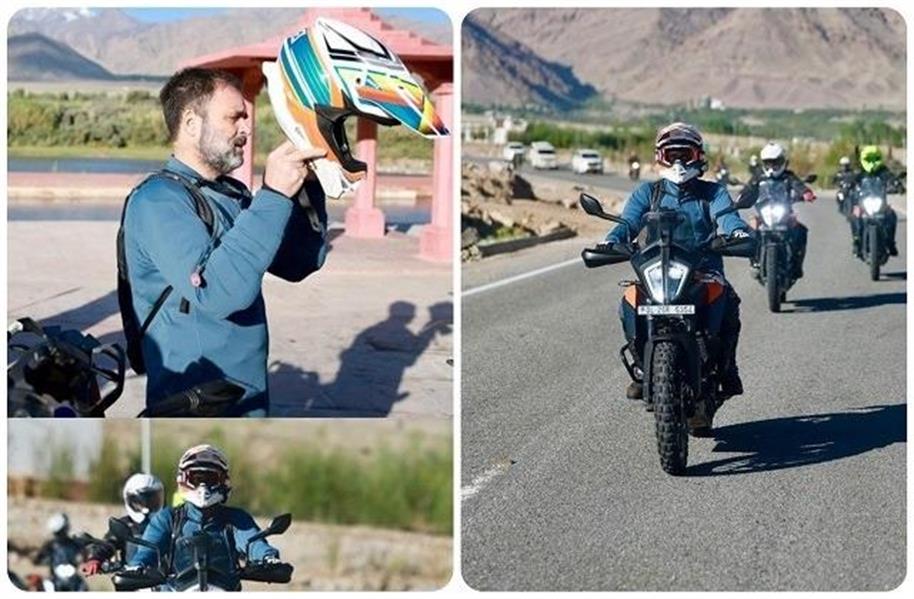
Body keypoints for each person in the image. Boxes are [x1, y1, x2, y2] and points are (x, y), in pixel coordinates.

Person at [119, 68, 328, 416]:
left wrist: (306, 185)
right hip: (194, 405)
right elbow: (217, 292)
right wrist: (273, 195)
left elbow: (299, 262)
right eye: (234, 117)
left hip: (248, 399)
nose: (247, 128)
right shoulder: (157, 201)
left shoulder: (231, 194)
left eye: (246, 117)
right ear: (191, 124)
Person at [603, 122, 751, 421]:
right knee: (629, 300)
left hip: (702, 270)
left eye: (686, 154)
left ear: (698, 156)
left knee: (729, 302)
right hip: (656, 269)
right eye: (673, 155)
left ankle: (726, 368)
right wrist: (611, 240)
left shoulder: (713, 193)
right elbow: (628, 223)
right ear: (661, 157)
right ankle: (643, 368)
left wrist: (737, 233)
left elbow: (728, 219)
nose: (680, 163)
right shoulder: (648, 192)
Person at [127, 445, 287, 590]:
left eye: (210, 479)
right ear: (183, 479)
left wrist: (268, 557)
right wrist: (136, 566)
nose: (202, 486)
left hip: (224, 589)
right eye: (196, 479)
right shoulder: (167, 518)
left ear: (223, 481)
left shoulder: (236, 519)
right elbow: (148, 549)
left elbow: (253, 543)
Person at [736, 142, 816, 278]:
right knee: (751, 226)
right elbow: (748, 189)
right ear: (763, 163)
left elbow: (798, 185)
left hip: (784, 213)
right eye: (768, 163)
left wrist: (806, 193)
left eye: (776, 162)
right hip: (764, 213)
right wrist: (739, 199)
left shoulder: (788, 176)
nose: (772, 166)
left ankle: (797, 264)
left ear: (783, 162)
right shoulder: (758, 176)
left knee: (801, 231)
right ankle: (754, 261)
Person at [82, 473, 165, 576]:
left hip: (165, 581)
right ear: (130, 500)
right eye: (141, 502)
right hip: (132, 580)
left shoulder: (167, 522)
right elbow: (108, 543)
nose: (146, 507)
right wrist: (96, 558)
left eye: (152, 500)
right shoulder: (123, 525)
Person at [851, 145, 901, 256]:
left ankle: (891, 242)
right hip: (863, 201)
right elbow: (853, 179)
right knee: (855, 214)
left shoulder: (883, 170)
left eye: (875, 159)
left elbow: (890, 177)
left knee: (892, 215)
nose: (872, 162)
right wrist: (848, 184)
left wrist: (896, 183)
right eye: (869, 159)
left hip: (880, 200)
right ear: (863, 159)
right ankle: (856, 241)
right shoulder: (861, 171)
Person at [34, 513, 89, 590]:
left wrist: (84, 560)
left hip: (72, 577)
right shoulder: (50, 544)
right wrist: (44, 560)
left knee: (83, 588)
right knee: (45, 587)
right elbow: (38, 558)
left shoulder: (74, 543)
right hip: (55, 577)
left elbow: (84, 553)